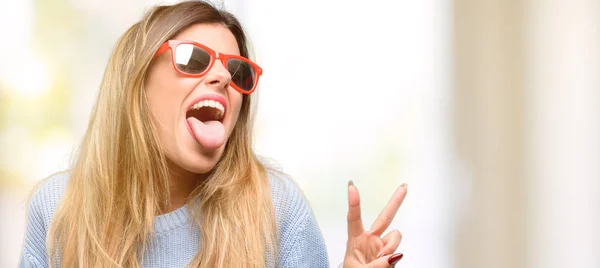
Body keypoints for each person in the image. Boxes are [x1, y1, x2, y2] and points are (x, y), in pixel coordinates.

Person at [17, 1, 407, 267]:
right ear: (135, 81)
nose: (222, 77)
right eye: (192, 59)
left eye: (238, 71)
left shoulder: (277, 208)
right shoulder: (57, 209)